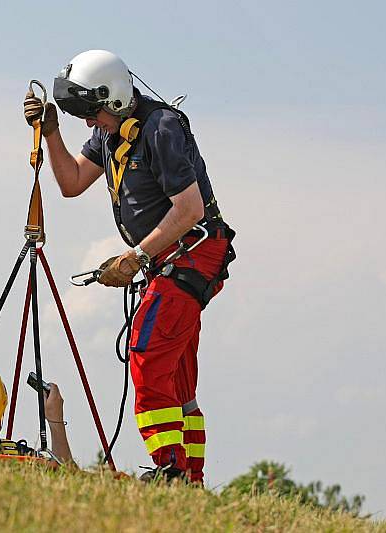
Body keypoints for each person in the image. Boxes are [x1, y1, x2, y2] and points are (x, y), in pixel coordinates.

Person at [24, 50, 235, 482]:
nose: (89, 123)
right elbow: (71, 183)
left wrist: (135, 256)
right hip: (170, 258)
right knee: (176, 377)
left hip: (191, 253)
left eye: (92, 113)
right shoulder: (110, 132)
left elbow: (190, 208)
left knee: (146, 355)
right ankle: (188, 479)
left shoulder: (161, 128)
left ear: (114, 98)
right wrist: (51, 134)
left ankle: (170, 470)